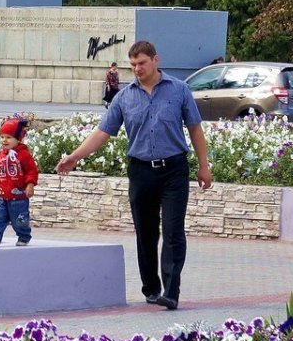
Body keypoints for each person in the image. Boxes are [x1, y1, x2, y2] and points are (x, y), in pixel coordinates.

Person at [55, 40, 212, 311]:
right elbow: (102, 133)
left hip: (174, 169)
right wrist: (74, 157)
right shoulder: (124, 97)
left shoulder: (179, 90)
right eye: (132, 64)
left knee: (173, 231)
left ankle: (171, 291)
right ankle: (151, 289)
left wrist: (203, 165)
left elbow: (196, 129)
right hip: (141, 171)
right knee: (146, 232)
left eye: (141, 63)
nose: (137, 69)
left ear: (155, 60)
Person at [0, 117, 39, 246]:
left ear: (18, 139)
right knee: (0, 218)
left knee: (19, 220)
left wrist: (30, 185)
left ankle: (24, 236)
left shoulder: (23, 155)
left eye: (8, 137)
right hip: (3, 195)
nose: (4, 140)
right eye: (2, 137)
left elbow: (32, 171)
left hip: (19, 196)